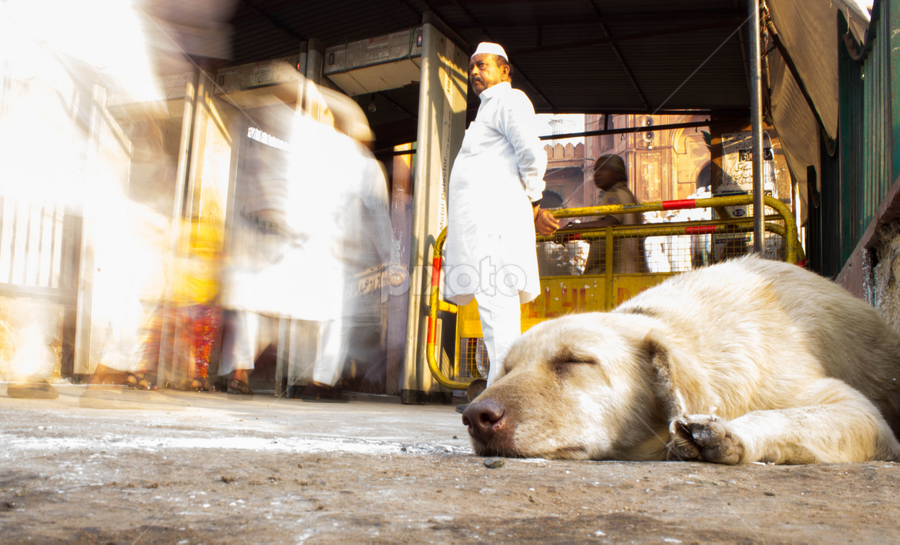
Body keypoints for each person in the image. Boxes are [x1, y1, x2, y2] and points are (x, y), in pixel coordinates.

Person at [444, 42, 559, 399]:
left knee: (499, 309)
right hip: (483, 226)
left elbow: (531, 153)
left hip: (494, 225)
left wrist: (535, 203)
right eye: (471, 67)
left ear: (504, 70)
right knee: (493, 314)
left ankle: (503, 395)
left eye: (481, 65)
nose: (474, 72)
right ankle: (499, 391)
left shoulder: (510, 101)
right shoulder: (487, 111)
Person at [565, 154, 645, 274]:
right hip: (628, 271)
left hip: (612, 273)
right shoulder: (626, 194)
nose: (597, 174)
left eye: (603, 169)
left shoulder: (614, 194)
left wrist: (573, 227)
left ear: (617, 173)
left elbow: (609, 222)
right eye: (596, 169)